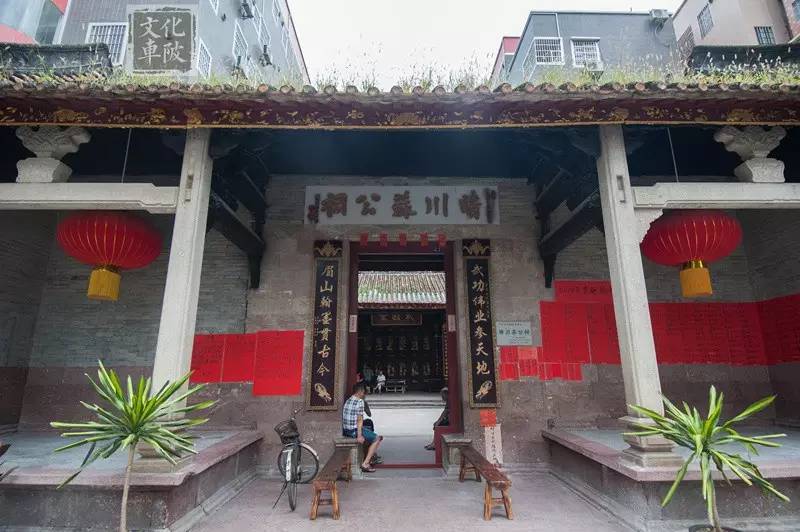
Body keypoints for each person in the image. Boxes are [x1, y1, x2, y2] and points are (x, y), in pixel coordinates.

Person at [342, 382, 383, 472]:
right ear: (360, 391)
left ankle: (369, 456)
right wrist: (359, 436)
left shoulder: (349, 399)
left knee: (369, 425)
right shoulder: (360, 401)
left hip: (346, 430)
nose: (364, 394)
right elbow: (359, 420)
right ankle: (366, 463)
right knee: (377, 438)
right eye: (364, 392)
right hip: (354, 430)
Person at [424, 387, 450, 451]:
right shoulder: (448, 401)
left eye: (442, 395)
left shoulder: (450, 401)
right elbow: (444, 412)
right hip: (448, 419)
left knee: (437, 425)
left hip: (451, 421)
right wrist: (438, 421)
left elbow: (445, 413)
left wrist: (438, 422)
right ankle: (433, 443)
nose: (442, 398)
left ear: (446, 394)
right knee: (436, 424)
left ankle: (434, 444)